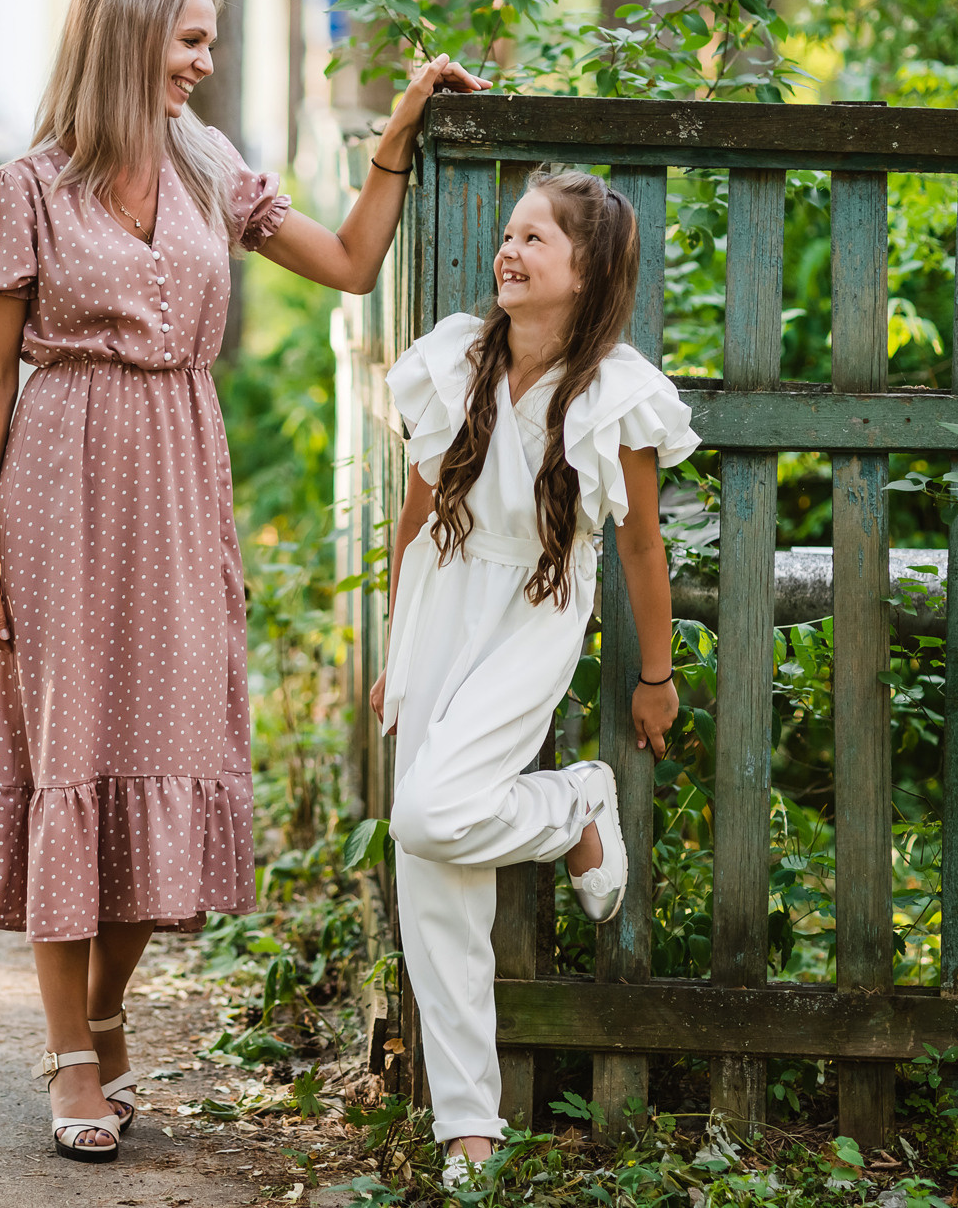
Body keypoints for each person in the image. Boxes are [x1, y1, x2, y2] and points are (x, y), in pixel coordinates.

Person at [0, 0, 488, 1164]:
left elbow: (346, 265)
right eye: (187, 42)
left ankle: (107, 1010)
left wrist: (394, 135)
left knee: (172, 743)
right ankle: (72, 1057)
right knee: (71, 755)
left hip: (178, 478)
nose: (203, 64)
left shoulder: (211, 165)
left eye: (209, 42)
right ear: (126, 38)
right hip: (58, 489)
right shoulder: (23, 189)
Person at [369, 171, 699, 1183]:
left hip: (530, 618)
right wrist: (394, 645)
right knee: (433, 876)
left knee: (429, 814)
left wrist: (655, 674)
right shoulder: (456, 360)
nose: (509, 251)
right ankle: (469, 1124)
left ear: (586, 268)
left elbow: (641, 549)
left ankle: (570, 805)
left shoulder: (615, 395)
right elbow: (418, 511)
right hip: (438, 605)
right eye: (509, 234)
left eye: (535, 240)